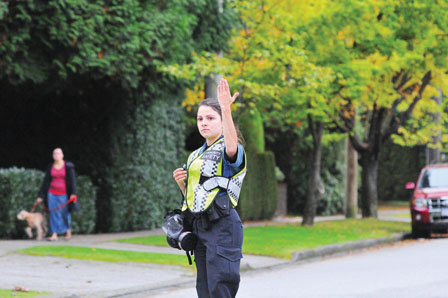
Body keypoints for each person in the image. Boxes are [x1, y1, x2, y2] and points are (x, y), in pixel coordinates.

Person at [173, 79, 247, 298]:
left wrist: (226, 108)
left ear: (223, 122)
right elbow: (197, 196)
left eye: (210, 118)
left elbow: (232, 148)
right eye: (200, 118)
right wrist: (182, 184)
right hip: (200, 227)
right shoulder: (195, 154)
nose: (204, 122)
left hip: (223, 226)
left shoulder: (229, 148)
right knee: (204, 291)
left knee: (220, 290)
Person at [36, 148, 77, 241]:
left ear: (62, 155)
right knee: (53, 213)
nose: (56, 155)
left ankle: (68, 231)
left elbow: (72, 181)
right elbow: (45, 181)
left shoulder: (68, 166)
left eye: (58, 153)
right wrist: (40, 196)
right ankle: (54, 234)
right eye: (54, 153)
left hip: (64, 193)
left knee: (64, 213)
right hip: (51, 193)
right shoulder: (50, 166)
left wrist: (73, 193)